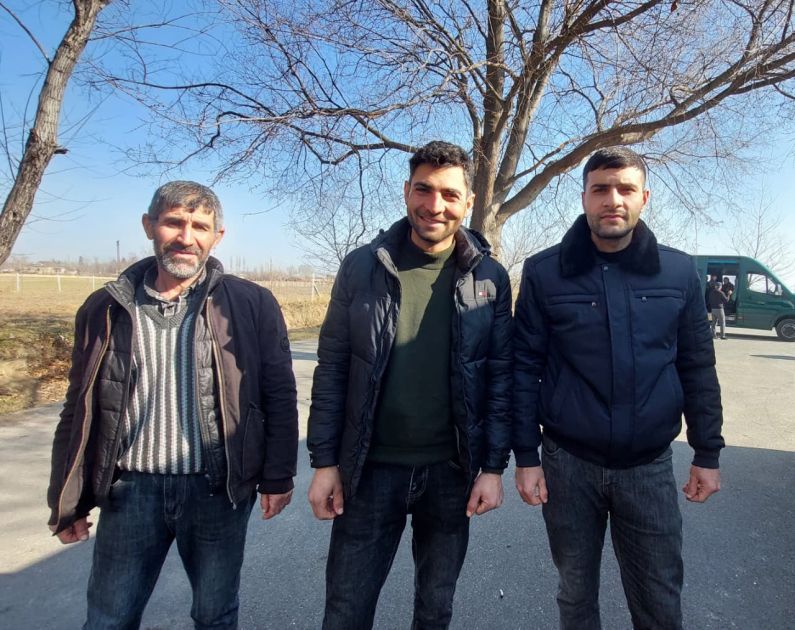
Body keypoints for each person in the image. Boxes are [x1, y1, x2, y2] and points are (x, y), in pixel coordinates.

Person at [47, 181, 299, 629]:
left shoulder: (250, 304)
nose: (186, 237)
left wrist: (278, 476)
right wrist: (67, 501)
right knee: (108, 618)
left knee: (214, 615)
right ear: (149, 226)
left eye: (200, 226)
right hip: (130, 492)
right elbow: (79, 409)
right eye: (174, 222)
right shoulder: (104, 308)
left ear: (217, 236)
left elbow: (279, 394)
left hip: (216, 491)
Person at [513, 147, 724, 630]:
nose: (613, 199)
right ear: (584, 197)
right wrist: (525, 456)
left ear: (644, 198)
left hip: (648, 467)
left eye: (626, 189)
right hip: (568, 465)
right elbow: (523, 368)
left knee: (659, 600)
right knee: (575, 594)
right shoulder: (544, 273)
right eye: (601, 189)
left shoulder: (678, 273)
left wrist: (707, 452)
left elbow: (697, 367)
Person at [307, 141, 512, 630]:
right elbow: (333, 367)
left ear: (468, 201)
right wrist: (324, 462)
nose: (434, 205)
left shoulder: (489, 276)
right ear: (406, 191)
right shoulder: (362, 266)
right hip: (370, 471)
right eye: (423, 190)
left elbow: (500, 375)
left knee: (435, 609)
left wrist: (492, 466)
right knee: (346, 610)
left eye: (449, 194)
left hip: (451, 472)